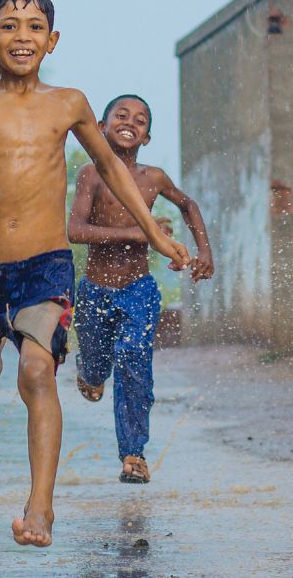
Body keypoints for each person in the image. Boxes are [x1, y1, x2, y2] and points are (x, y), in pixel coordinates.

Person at [0, 0, 191, 547]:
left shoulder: (70, 103)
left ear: (52, 39)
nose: (22, 36)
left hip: (46, 266)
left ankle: (40, 510)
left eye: (34, 27)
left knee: (35, 372)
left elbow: (114, 171)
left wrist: (156, 235)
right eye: (9, 26)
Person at [67, 93, 214, 485]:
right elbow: (76, 230)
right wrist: (136, 231)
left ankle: (133, 454)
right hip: (96, 291)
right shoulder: (91, 174)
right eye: (121, 115)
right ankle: (90, 372)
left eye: (141, 119)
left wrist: (204, 251)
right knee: (99, 365)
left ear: (147, 136)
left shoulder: (154, 177)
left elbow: (188, 204)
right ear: (101, 126)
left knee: (134, 359)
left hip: (139, 288)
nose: (131, 122)